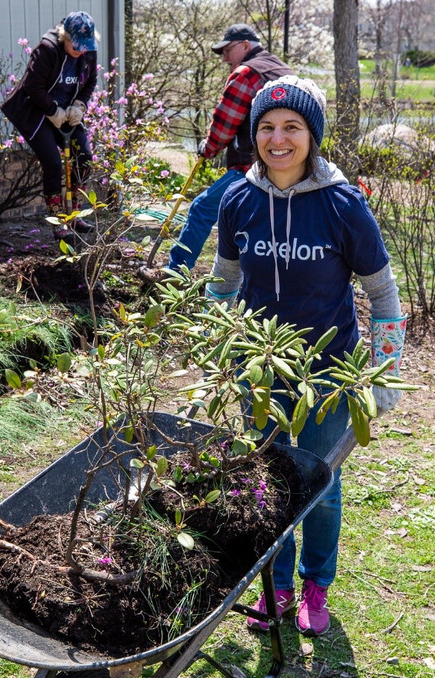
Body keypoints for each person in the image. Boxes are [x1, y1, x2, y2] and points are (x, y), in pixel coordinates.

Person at [206, 75, 407, 636]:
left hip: (328, 373)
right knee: (265, 480)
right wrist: (217, 341)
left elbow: (383, 293)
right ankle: (278, 586)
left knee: (318, 484)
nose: (278, 139)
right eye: (266, 127)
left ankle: (317, 584)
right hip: (258, 370)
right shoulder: (237, 199)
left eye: (291, 127)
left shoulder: (344, 205)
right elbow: (223, 284)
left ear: (311, 135)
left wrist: (385, 370)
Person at [140, 23, 292, 281]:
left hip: (253, 167)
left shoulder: (246, 73)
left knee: (201, 208)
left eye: (227, 51)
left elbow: (224, 126)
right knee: (258, 226)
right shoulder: (282, 69)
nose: (224, 59)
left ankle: (174, 273)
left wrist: (208, 148)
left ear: (245, 45)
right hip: (290, 169)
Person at [0, 11, 99, 240]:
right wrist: (52, 110)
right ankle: (58, 220)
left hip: (67, 111)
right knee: (53, 163)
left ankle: (74, 214)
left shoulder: (88, 51)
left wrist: (79, 104)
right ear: (64, 36)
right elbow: (32, 86)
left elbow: (91, 80)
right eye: (76, 46)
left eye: (85, 47)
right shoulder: (46, 50)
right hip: (36, 110)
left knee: (83, 157)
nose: (81, 51)